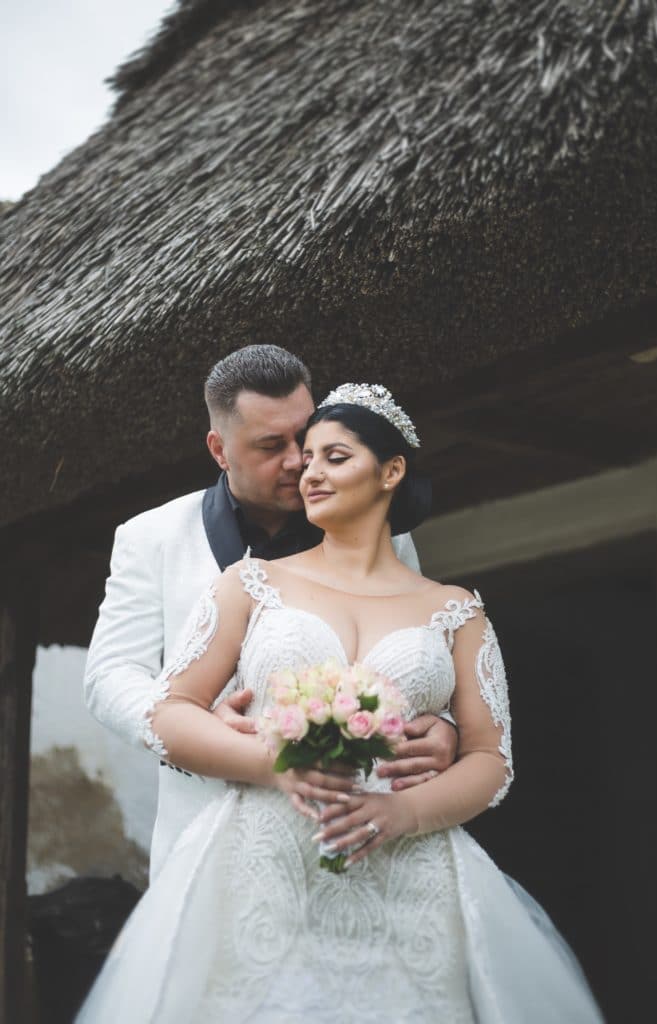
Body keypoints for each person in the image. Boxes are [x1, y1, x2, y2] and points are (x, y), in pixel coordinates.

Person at [77, 384, 604, 1023]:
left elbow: (489, 754)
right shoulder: (242, 581)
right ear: (221, 447)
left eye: (332, 455)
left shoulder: (455, 608)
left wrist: (412, 792)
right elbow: (158, 701)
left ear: (391, 472)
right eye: (297, 453)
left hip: (408, 871)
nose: (306, 468)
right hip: (261, 861)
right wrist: (259, 751)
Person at [84, 347, 458, 879]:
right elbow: (109, 675)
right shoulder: (150, 537)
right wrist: (187, 724)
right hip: (209, 842)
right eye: (269, 445)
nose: (296, 460)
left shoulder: (381, 530)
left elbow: (421, 656)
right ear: (219, 449)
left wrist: (442, 726)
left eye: (304, 436)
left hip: (362, 839)